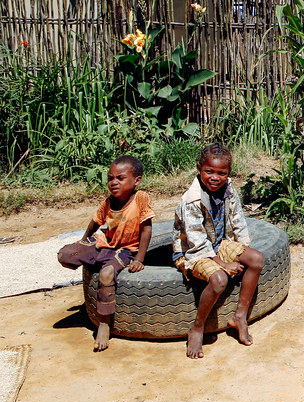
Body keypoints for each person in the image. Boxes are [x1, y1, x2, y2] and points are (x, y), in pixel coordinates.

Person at [173, 144, 264, 358]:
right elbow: (196, 242)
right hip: (192, 253)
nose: (215, 177)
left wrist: (243, 249)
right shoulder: (191, 200)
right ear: (199, 169)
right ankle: (197, 327)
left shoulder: (229, 188)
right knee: (219, 279)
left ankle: (239, 316)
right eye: (209, 172)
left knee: (257, 259)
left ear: (228, 173)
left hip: (218, 243)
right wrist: (223, 264)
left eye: (221, 173)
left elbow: (238, 220)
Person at [57, 155, 153, 351]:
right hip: (105, 243)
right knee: (65, 255)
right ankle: (96, 262)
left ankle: (104, 323)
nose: (113, 182)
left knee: (106, 274)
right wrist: (83, 242)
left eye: (120, 178)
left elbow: (147, 229)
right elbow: (94, 222)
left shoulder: (141, 198)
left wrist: (140, 259)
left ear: (137, 181)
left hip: (126, 250)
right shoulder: (108, 202)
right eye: (110, 178)